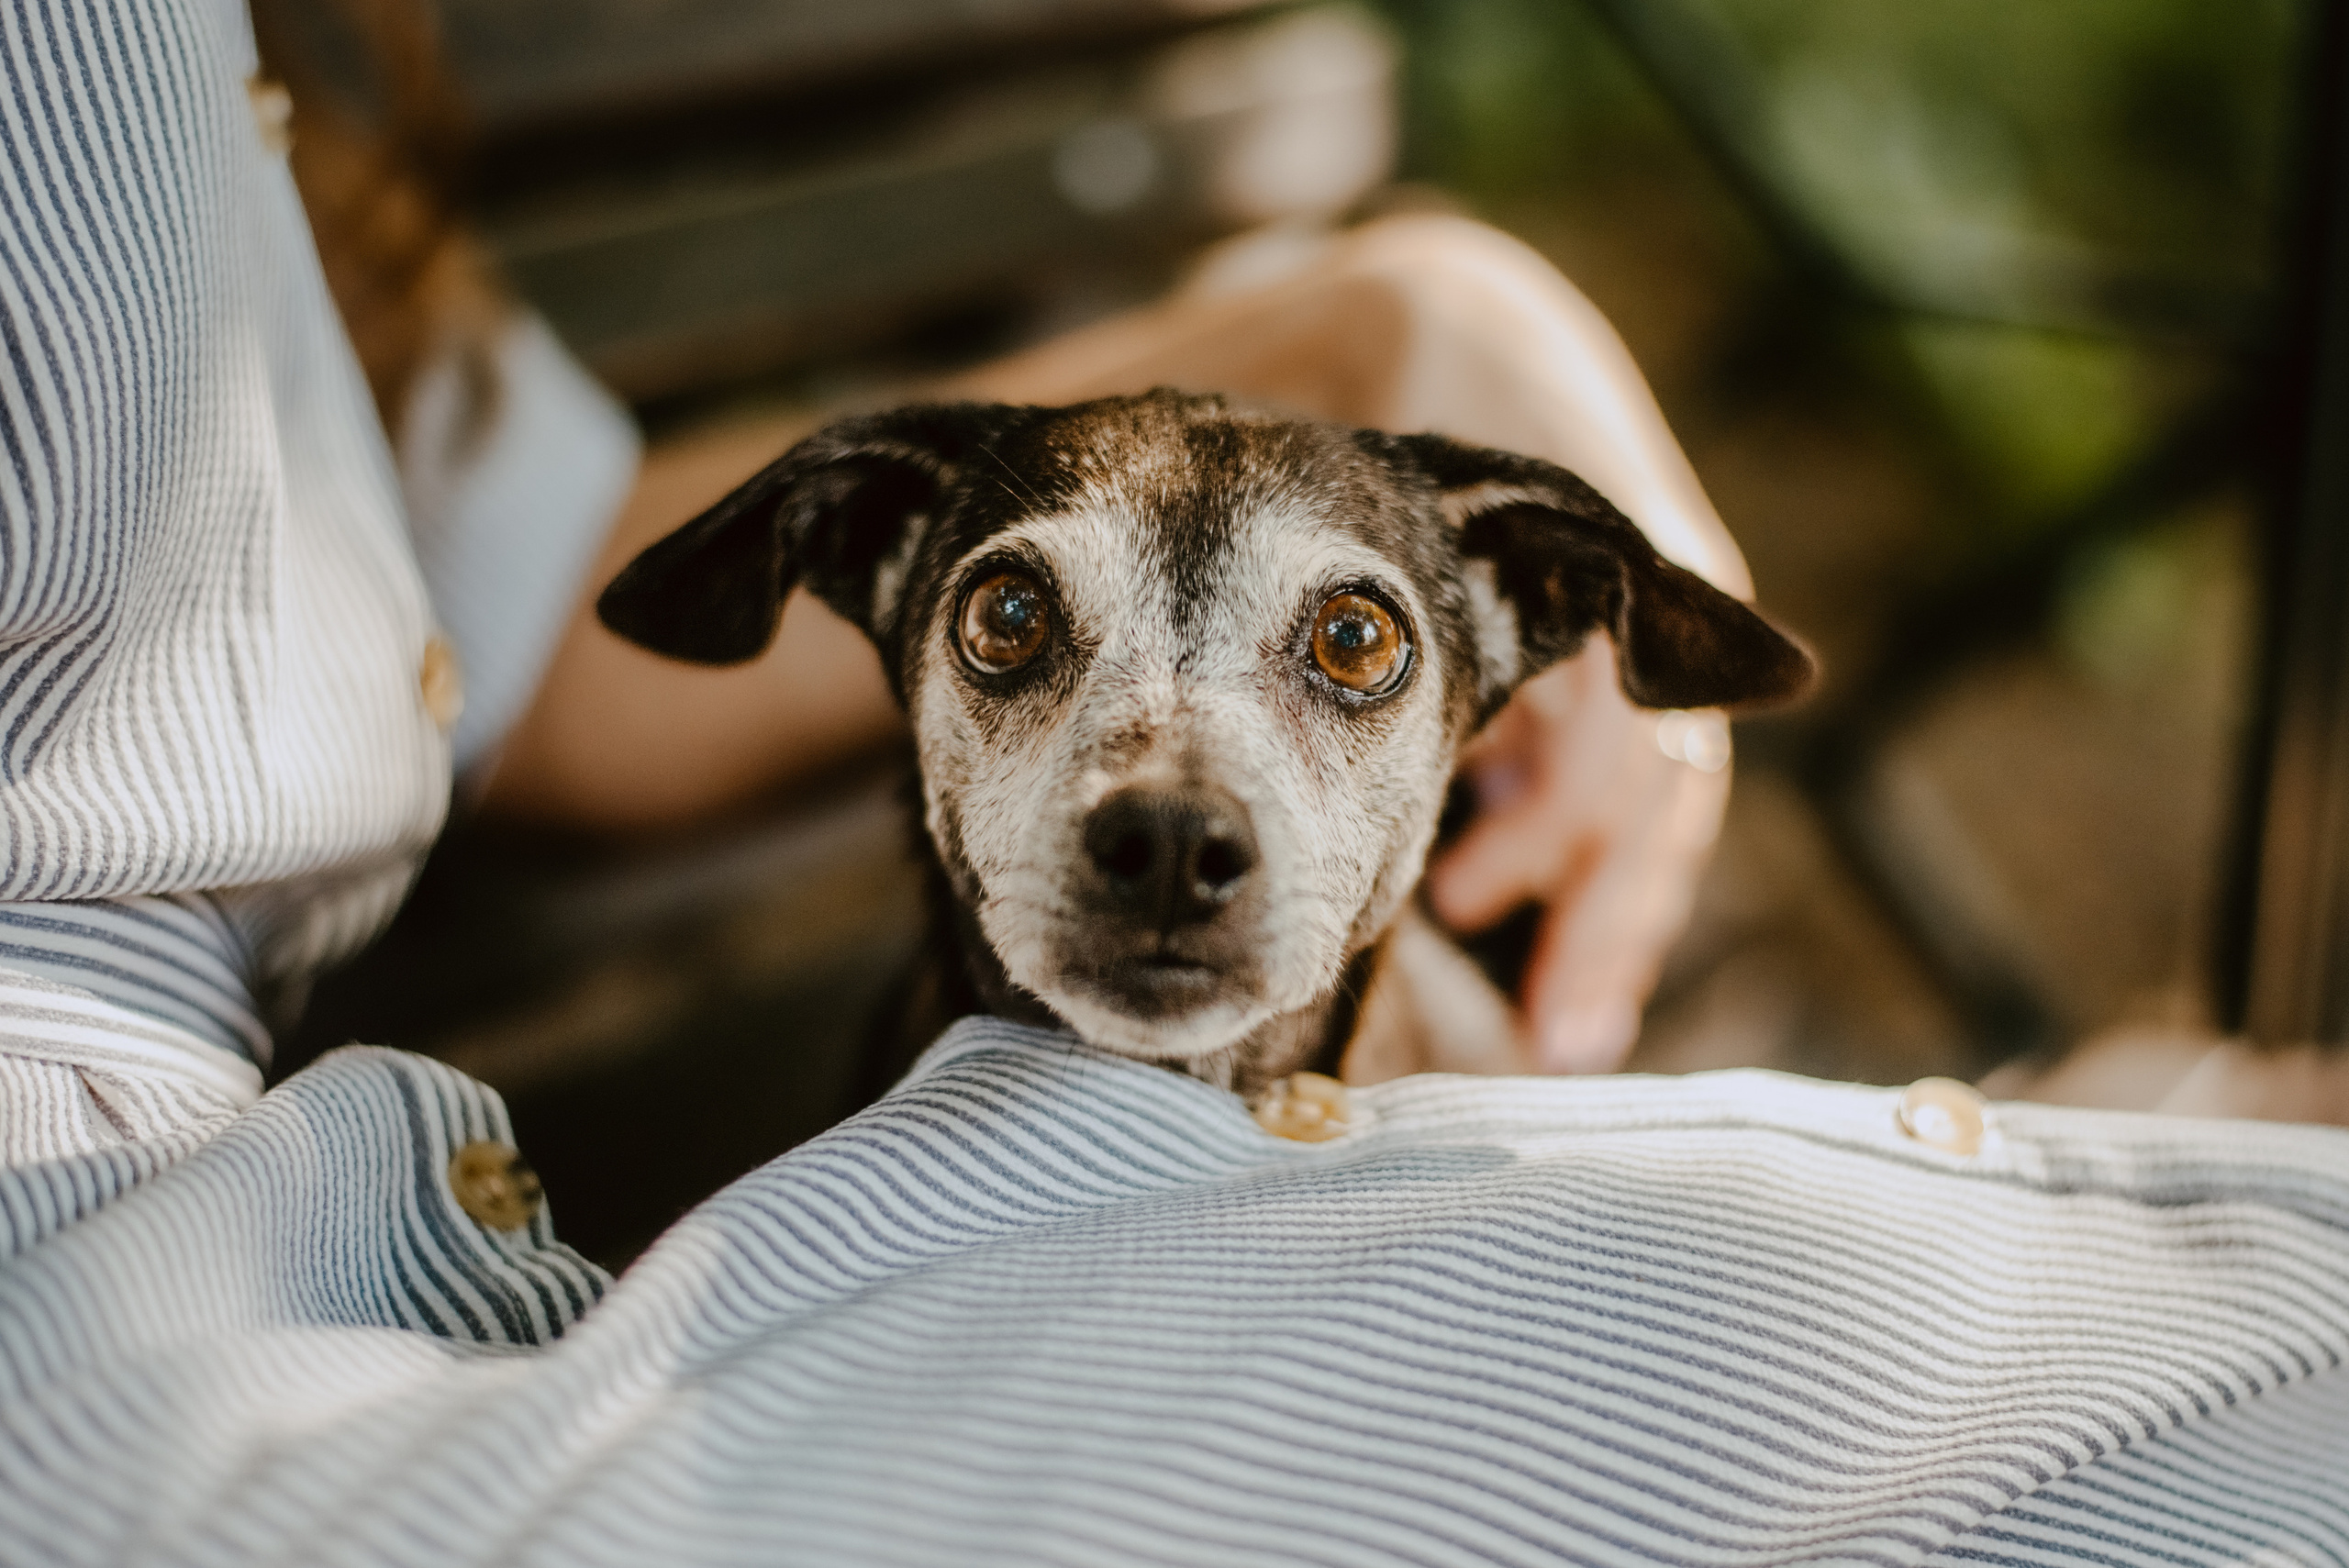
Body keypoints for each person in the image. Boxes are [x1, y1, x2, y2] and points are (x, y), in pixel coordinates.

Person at [1, 2, 2343, 1563]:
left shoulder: (273, 119)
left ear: (1513, 649)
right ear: (880, 591)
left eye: (1349, 652)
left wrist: (1406, 304)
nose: (1170, 803)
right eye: (1018, 630)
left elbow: (513, 620)